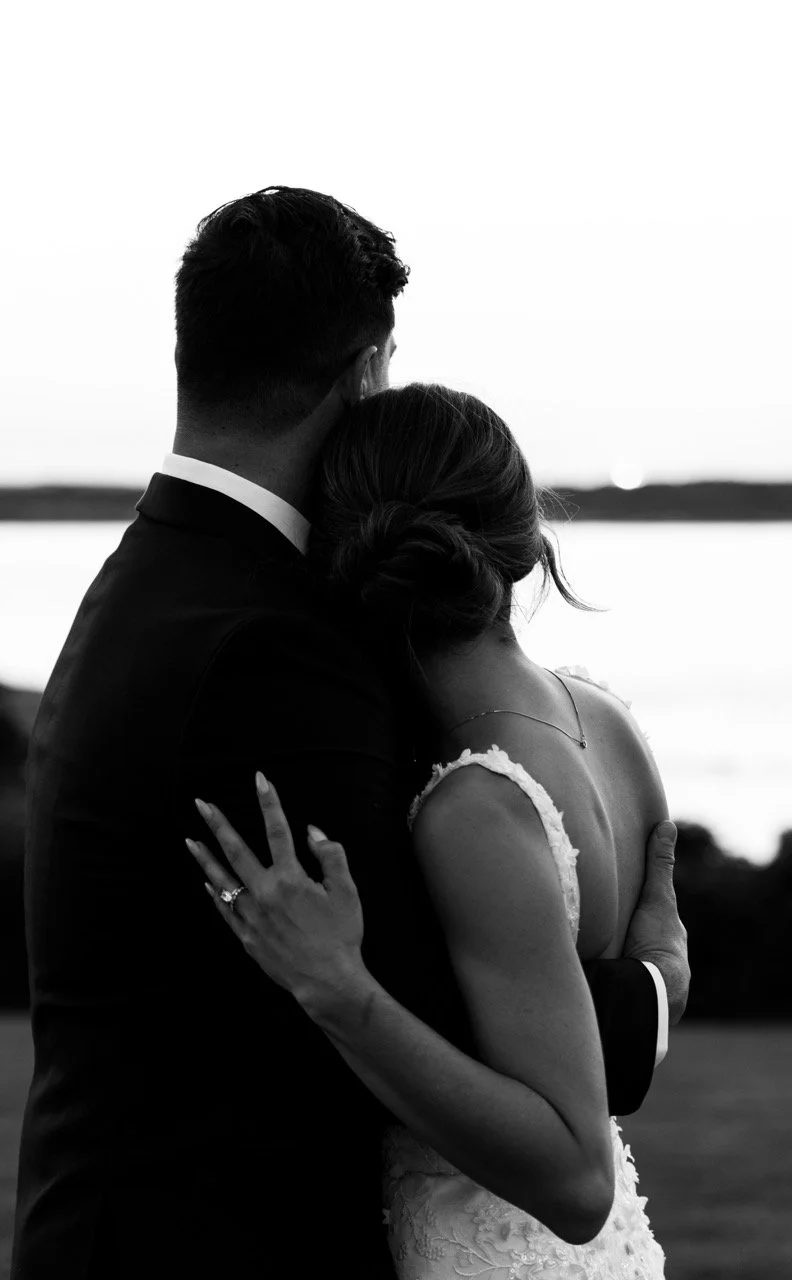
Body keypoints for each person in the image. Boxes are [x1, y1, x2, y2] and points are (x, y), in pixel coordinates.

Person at [12, 187, 687, 1280]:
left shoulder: (157, 576)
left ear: (192, 348)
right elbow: (452, 1006)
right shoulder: (268, 643)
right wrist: (653, 982)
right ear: (366, 365)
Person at [185, 382, 677, 1276]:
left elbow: (573, 1179)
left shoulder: (476, 808)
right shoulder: (609, 724)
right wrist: (661, 987)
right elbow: (612, 1002)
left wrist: (339, 989)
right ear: (524, 539)